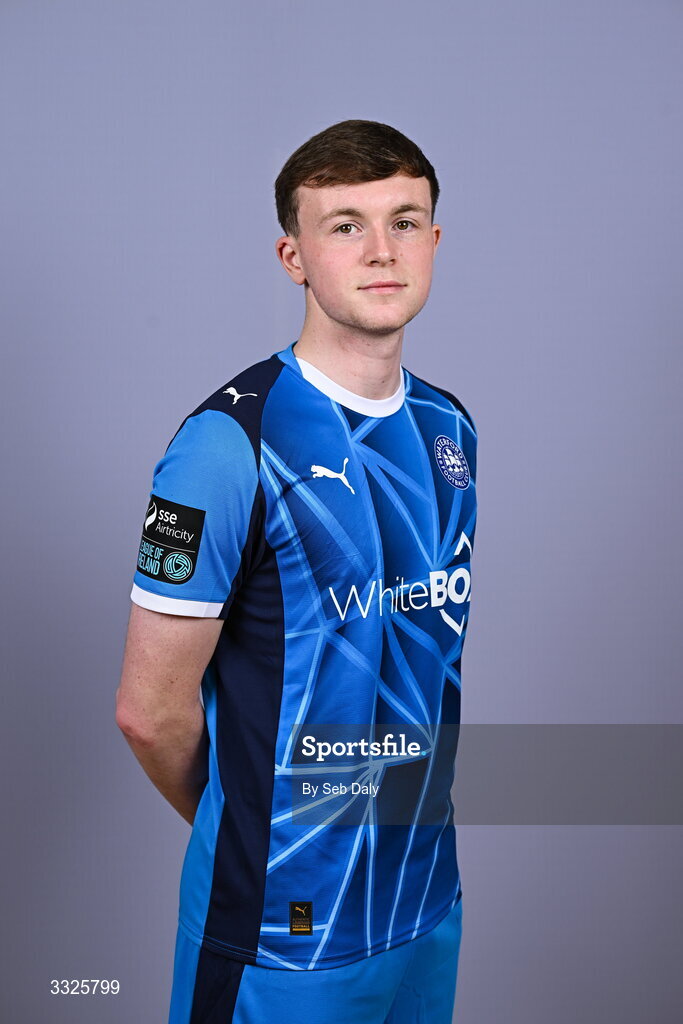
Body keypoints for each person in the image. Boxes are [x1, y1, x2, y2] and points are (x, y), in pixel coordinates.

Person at [116, 119, 478, 1024]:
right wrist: (257, 828)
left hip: (424, 904)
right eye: (345, 225)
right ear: (294, 257)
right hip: (283, 933)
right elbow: (149, 713)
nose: (382, 249)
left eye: (404, 221)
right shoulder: (225, 445)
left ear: (433, 241)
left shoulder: (449, 430)